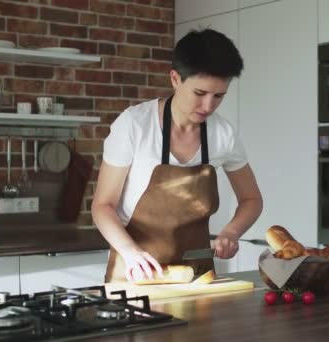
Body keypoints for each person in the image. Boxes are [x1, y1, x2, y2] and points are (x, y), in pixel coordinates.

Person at [92, 28, 263, 283]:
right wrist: (130, 252)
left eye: (219, 96)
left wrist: (232, 231)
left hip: (196, 275)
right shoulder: (134, 125)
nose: (208, 106)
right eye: (199, 93)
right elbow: (102, 206)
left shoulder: (223, 133)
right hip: (137, 269)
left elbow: (251, 199)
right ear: (175, 78)